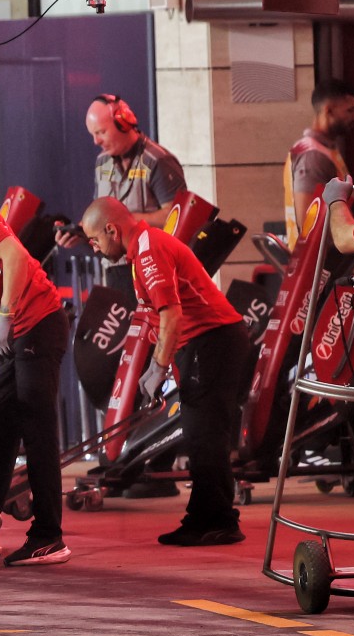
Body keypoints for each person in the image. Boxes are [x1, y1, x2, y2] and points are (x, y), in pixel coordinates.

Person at [80, 197, 247, 545]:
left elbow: (172, 315)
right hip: (202, 342)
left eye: (94, 240)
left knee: (206, 435)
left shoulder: (148, 251)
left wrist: (157, 367)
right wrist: (161, 364)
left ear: (111, 229)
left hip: (211, 340)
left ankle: (219, 522)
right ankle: (202, 517)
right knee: (198, 434)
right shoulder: (143, 248)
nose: (94, 248)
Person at [0, 198, 70, 566]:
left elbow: (15, 256)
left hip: (36, 320)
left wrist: (4, 315)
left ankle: (49, 536)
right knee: (1, 432)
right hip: (13, 332)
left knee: (37, 430)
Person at [87, 94, 185, 225]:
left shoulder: (158, 161)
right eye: (93, 134)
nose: (96, 141)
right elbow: (100, 214)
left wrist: (126, 220)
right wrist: (81, 231)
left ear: (123, 123)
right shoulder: (102, 162)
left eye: (101, 132)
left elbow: (178, 216)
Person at [286, 79, 354, 250]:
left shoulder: (326, 150)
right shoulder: (313, 155)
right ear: (329, 110)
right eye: (350, 110)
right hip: (323, 263)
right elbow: (309, 223)